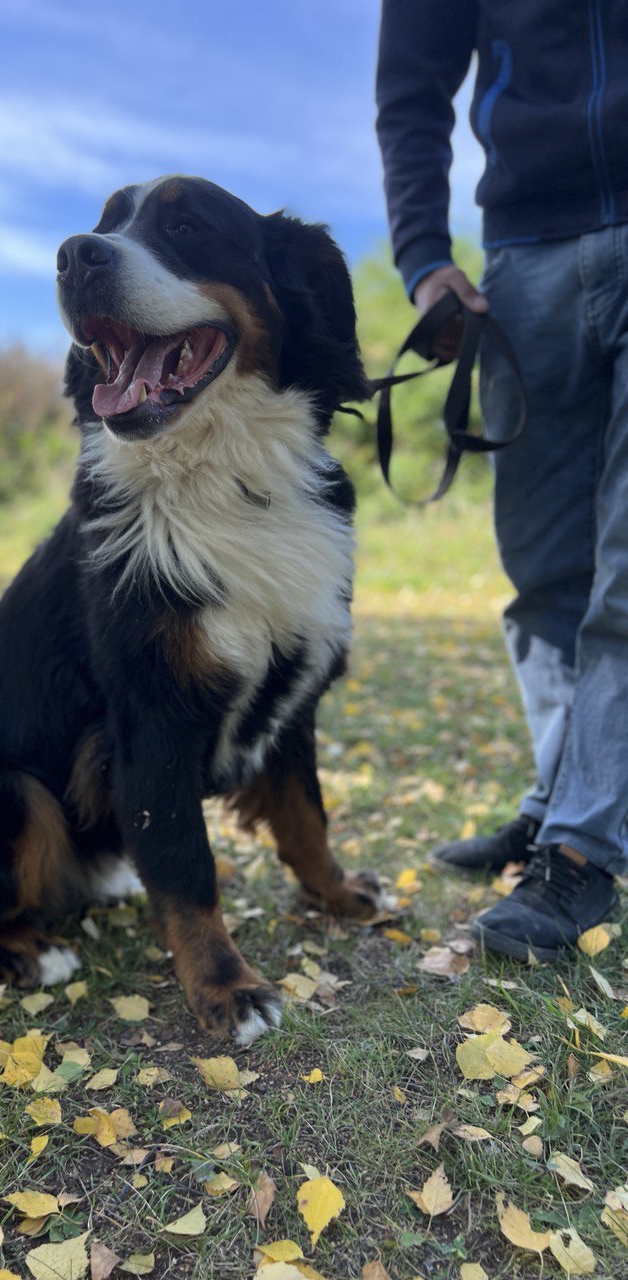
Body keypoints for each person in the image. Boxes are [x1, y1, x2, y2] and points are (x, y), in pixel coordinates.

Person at [375, 0, 626, 960]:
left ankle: (581, 846)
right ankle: (558, 794)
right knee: (542, 573)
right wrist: (425, 259)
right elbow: (411, 89)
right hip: (526, 255)